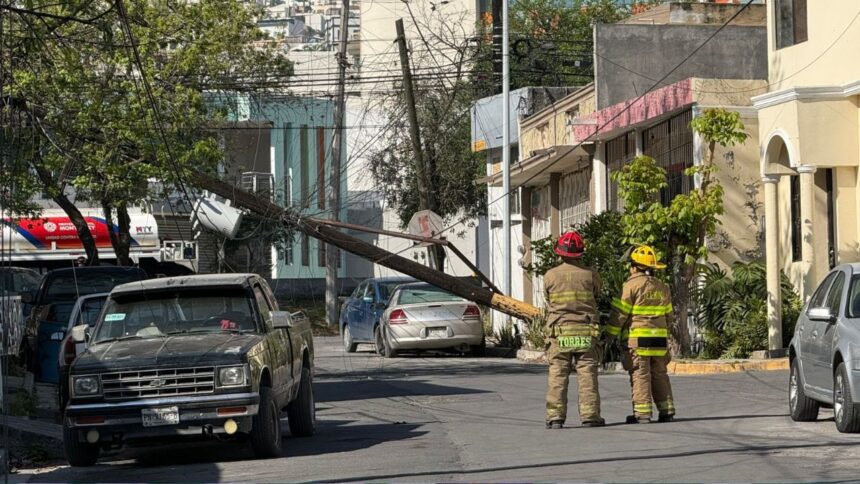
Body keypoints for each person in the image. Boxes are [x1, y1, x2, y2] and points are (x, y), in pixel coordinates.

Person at [606, 245, 675, 424]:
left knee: (640, 375)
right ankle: (666, 410)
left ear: (635, 267)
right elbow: (669, 315)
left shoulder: (630, 286)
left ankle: (642, 413)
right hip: (659, 339)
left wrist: (609, 335)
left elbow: (620, 315)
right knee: (659, 373)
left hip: (639, 339)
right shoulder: (663, 287)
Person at [543, 230, 605, 429]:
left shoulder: (550, 275)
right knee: (587, 374)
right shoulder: (591, 274)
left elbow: (547, 298)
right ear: (581, 252)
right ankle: (590, 417)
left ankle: (555, 418)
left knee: (557, 374)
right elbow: (597, 294)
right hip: (585, 331)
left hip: (559, 332)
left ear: (559, 252)